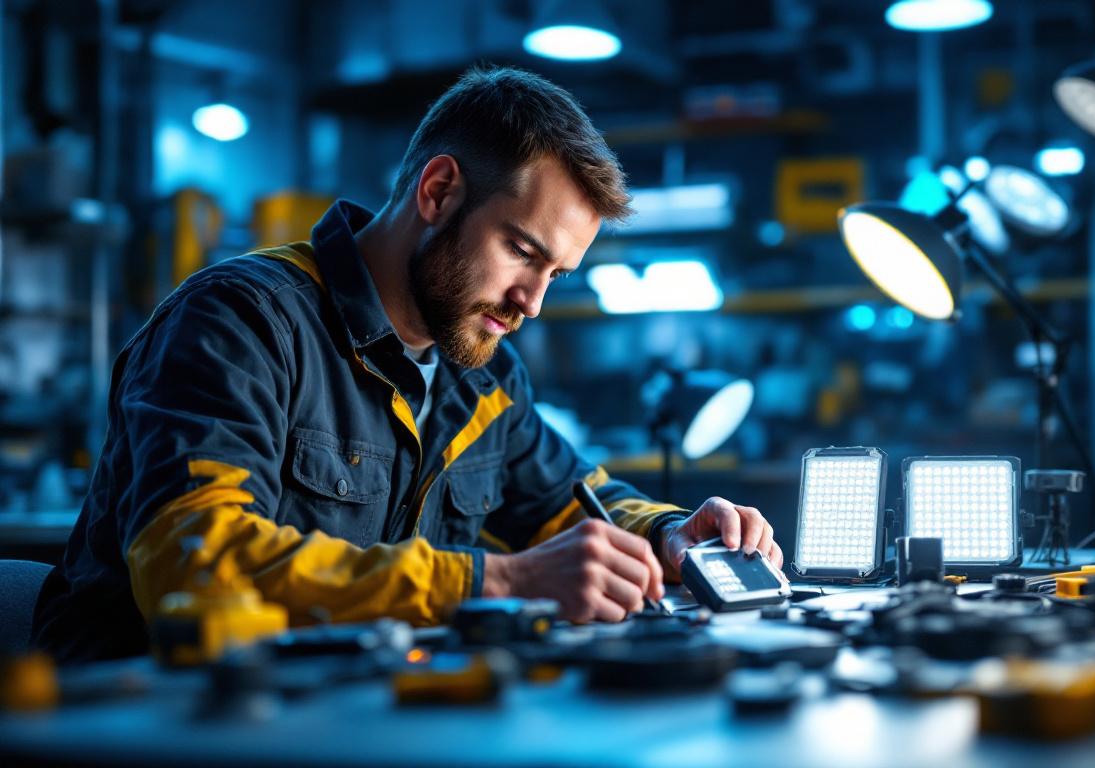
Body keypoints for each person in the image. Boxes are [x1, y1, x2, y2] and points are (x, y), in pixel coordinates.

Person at [33, 65, 782, 662]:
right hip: (156, 725)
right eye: (522, 252)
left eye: (556, 274)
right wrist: (500, 582)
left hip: (351, 716)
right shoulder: (241, 321)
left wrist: (674, 534)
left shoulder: (480, 371)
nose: (533, 302)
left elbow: (572, 501)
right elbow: (194, 562)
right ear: (438, 190)